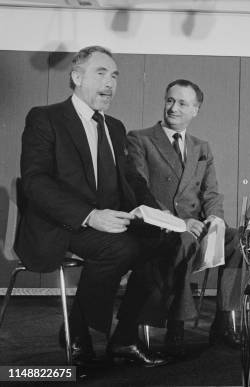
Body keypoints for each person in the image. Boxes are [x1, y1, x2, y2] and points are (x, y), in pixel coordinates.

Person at [16, 46, 167, 367]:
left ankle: (124, 339)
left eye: (114, 75)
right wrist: (89, 216)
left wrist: (155, 212)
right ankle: (77, 334)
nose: (110, 82)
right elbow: (35, 182)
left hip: (111, 221)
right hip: (63, 224)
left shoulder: (114, 126)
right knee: (121, 248)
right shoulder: (45, 118)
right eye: (101, 73)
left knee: (163, 242)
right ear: (76, 77)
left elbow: (132, 181)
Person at [126, 79, 244, 355]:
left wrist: (215, 219)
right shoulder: (140, 138)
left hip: (196, 224)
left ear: (196, 110)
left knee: (236, 240)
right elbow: (138, 188)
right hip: (161, 226)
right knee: (184, 241)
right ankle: (176, 325)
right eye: (169, 100)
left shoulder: (201, 147)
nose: (173, 108)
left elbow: (211, 192)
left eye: (182, 103)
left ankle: (224, 321)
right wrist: (178, 222)